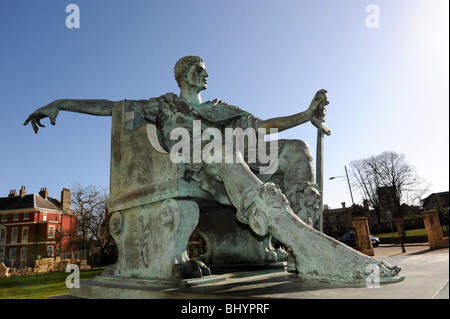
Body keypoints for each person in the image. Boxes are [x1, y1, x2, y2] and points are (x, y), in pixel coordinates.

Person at [24, 56, 403, 283]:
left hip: (235, 163)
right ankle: (307, 246)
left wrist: (305, 116)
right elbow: (112, 107)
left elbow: (262, 128)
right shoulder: (165, 105)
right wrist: (60, 103)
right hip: (194, 164)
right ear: (185, 74)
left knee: (294, 149)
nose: (207, 76)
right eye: (200, 70)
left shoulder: (222, 109)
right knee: (221, 150)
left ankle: (304, 242)